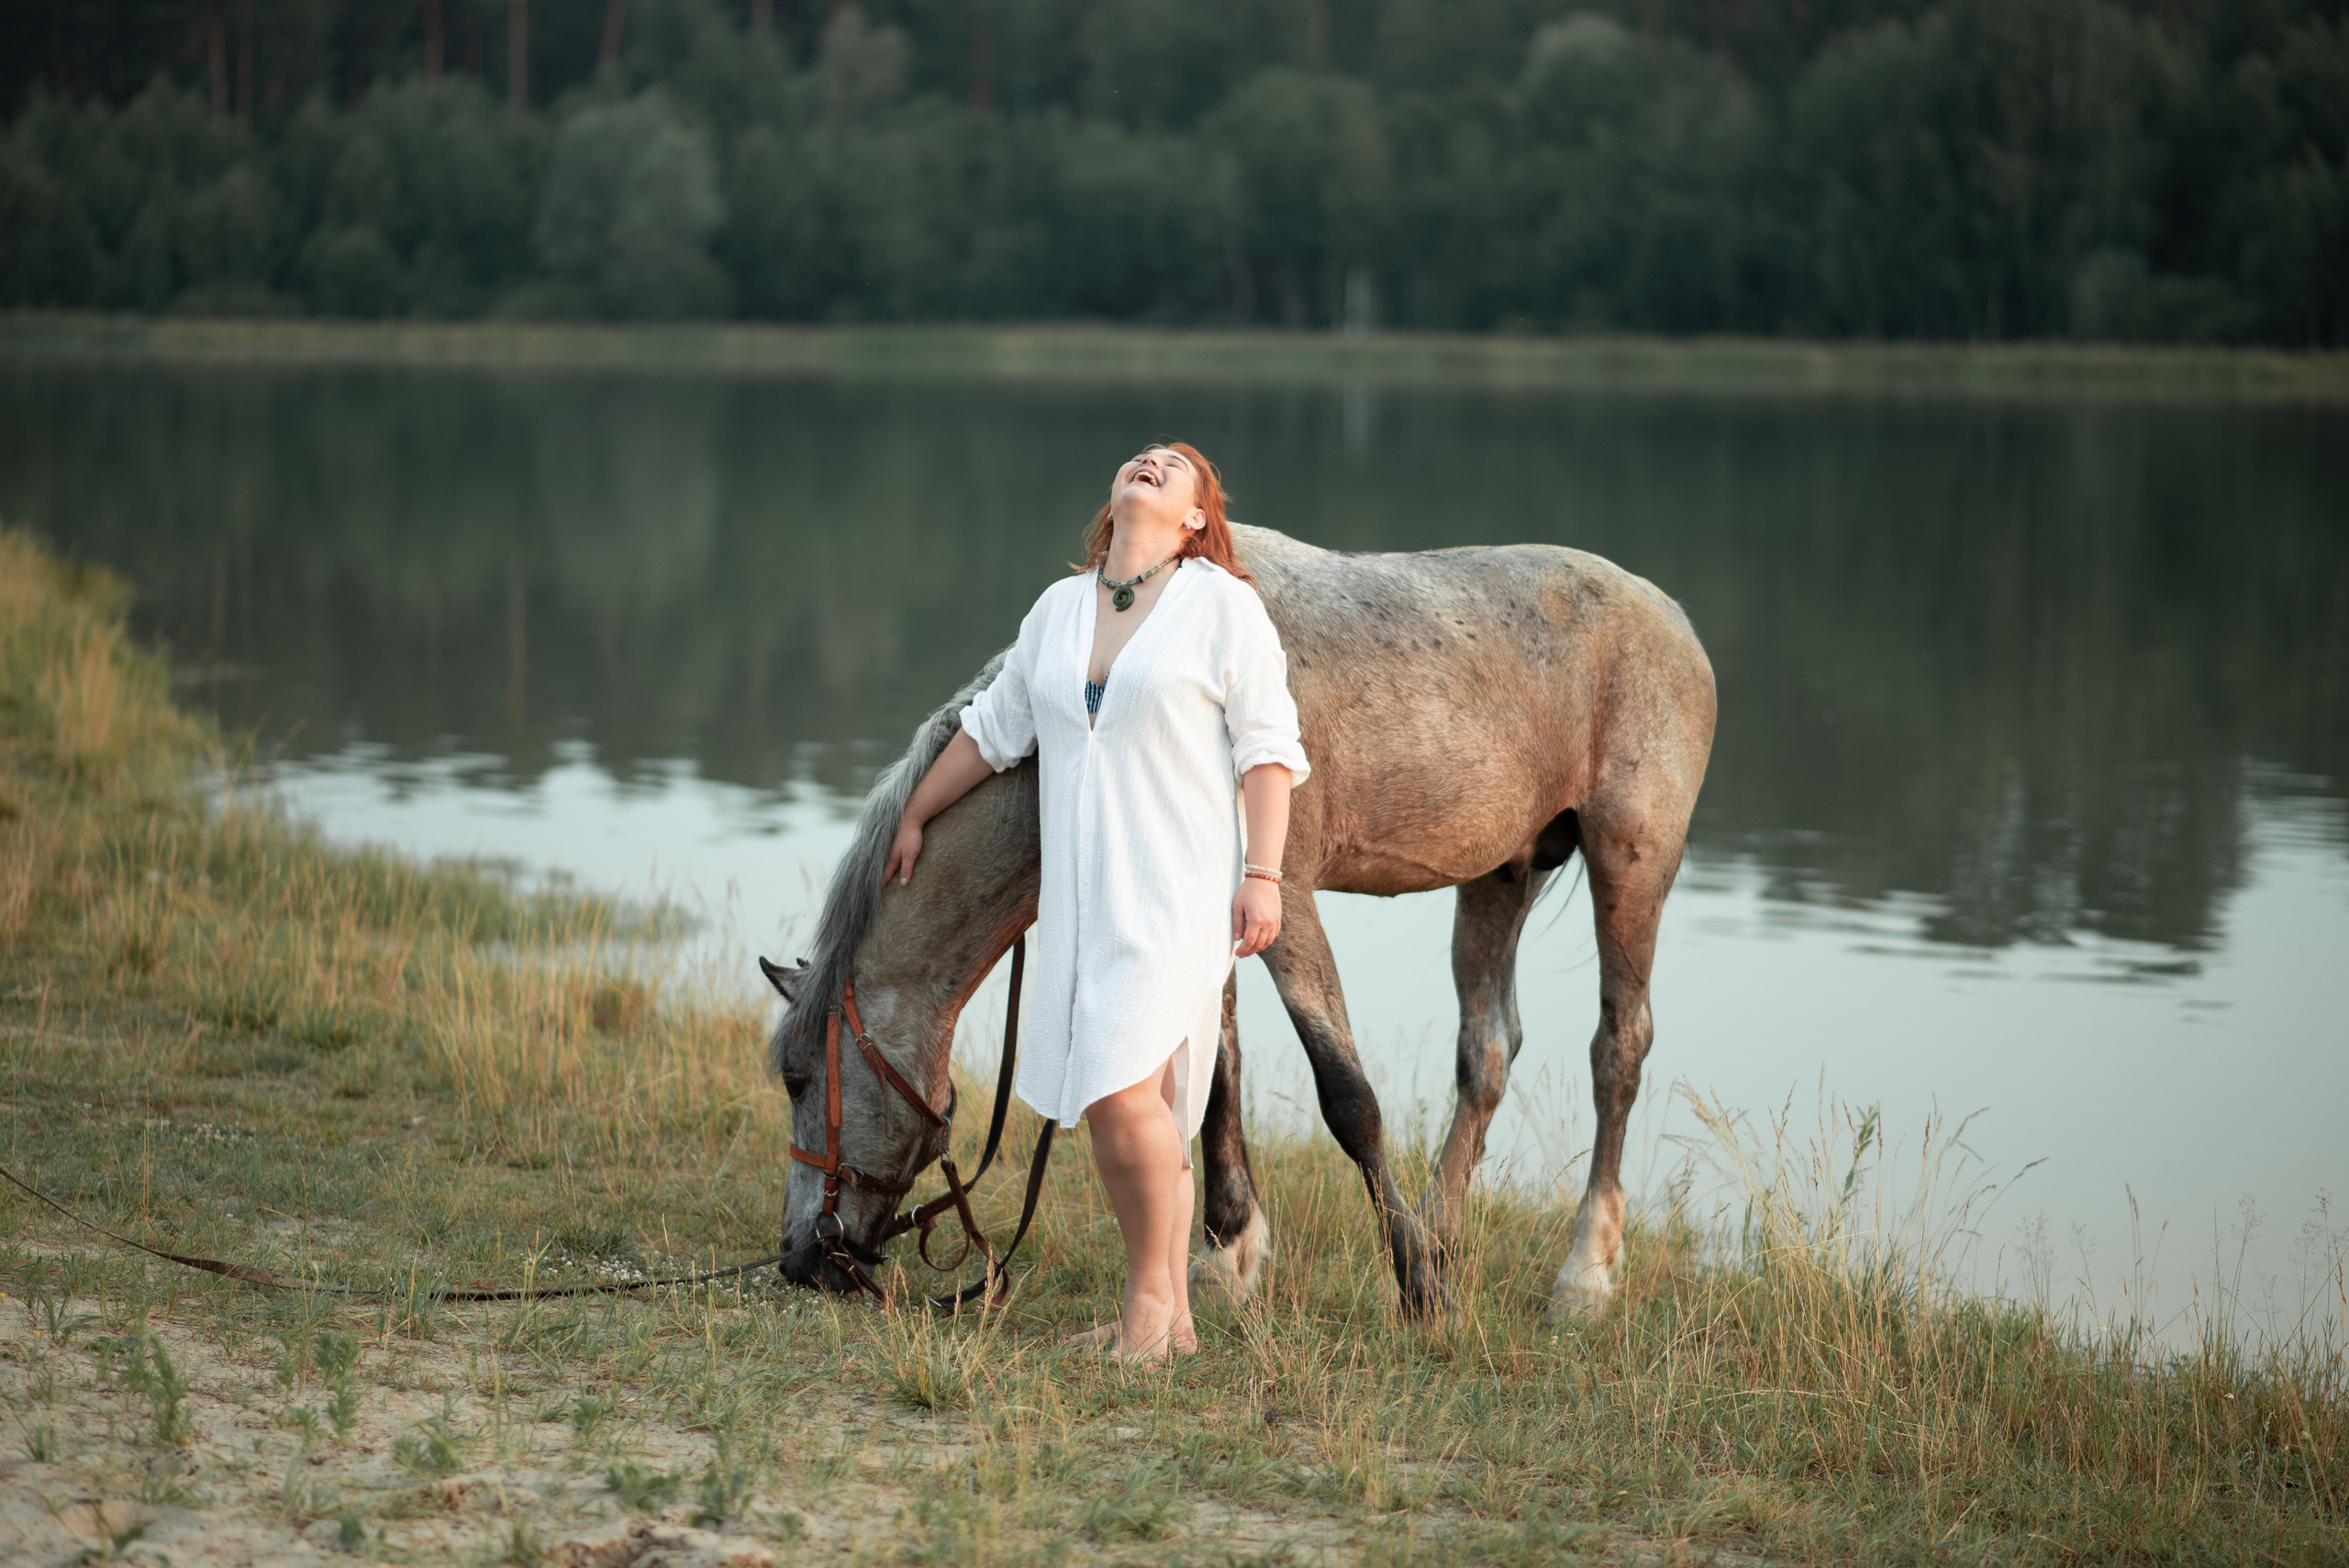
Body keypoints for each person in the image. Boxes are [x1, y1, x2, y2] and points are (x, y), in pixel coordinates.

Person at [881, 442, 1308, 1360]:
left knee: (1119, 1093)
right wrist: (916, 811)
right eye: (1140, 456)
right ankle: (1170, 1319)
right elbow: (994, 730)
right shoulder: (1059, 608)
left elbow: (1268, 748)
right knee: (1141, 1103)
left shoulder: (1221, 606)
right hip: (1084, 898)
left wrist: (1264, 873)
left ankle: (1147, 1310)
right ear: (1113, 498)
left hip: (1177, 885)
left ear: (1195, 519)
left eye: (1173, 465)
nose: (1150, 460)